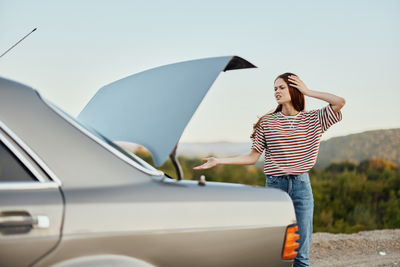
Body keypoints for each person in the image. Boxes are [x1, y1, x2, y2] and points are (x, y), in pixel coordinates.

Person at [193, 73, 345, 267]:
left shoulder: (313, 119)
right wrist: (219, 160)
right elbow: (252, 157)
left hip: (301, 187)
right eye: (274, 89)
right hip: (275, 188)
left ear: (294, 89)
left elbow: (339, 102)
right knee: (275, 249)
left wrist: (307, 91)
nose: (276, 92)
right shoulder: (267, 122)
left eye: (281, 87)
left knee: (301, 253)